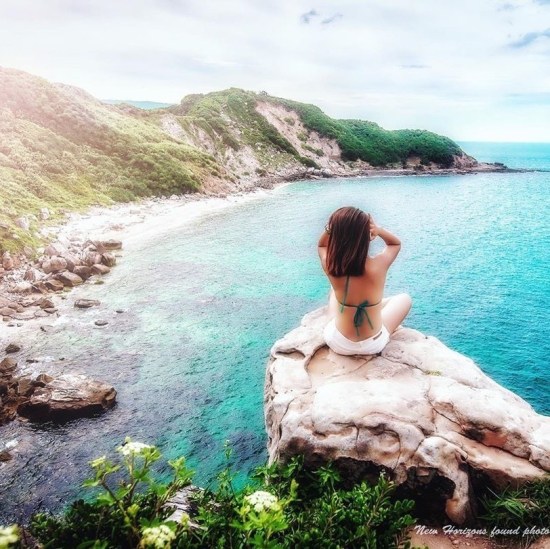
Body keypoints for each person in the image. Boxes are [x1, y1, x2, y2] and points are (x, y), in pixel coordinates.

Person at [318, 206, 412, 356]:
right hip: (373, 345)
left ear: (334, 235)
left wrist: (331, 229)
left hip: (338, 343)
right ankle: (371, 307)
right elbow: (395, 244)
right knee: (404, 299)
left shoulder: (330, 265)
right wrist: (379, 230)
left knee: (334, 291)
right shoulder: (379, 265)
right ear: (366, 236)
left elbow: (322, 245)